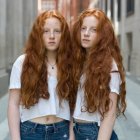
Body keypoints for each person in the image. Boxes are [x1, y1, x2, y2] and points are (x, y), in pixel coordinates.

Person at [8, 10, 73, 140]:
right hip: (31, 131)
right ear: (38, 34)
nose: (52, 36)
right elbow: (13, 104)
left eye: (57, 31)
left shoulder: (70, 64)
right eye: (46, 31)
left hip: (62, 131)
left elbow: (73, 105)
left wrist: (71, 136)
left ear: (63, 35)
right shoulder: (23, 62)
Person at [71, 9, 126, 140]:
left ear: (103, 35)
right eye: (83, 28)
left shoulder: (109, 65)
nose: (86, 33)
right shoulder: (80, 61)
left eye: (93, 30)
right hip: (77, 130)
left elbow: (110, 115)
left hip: (95, 133)